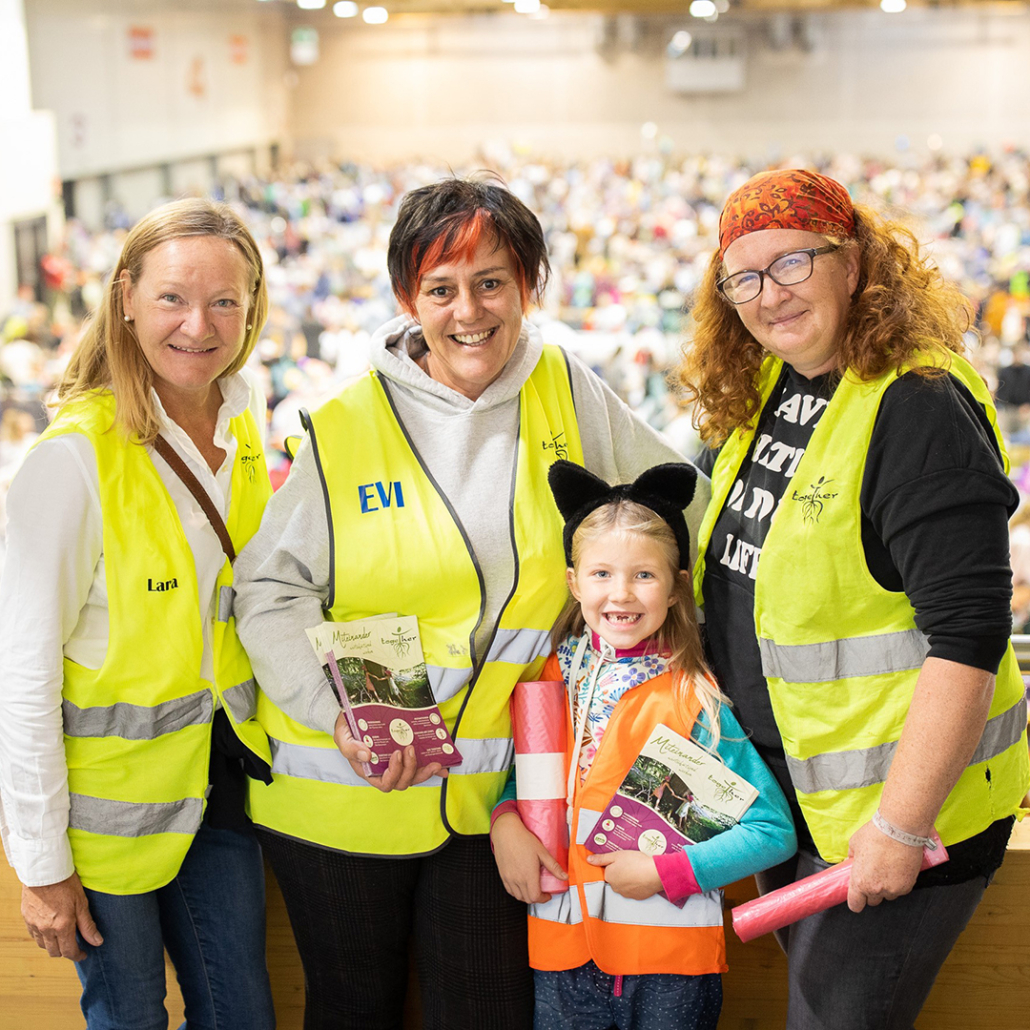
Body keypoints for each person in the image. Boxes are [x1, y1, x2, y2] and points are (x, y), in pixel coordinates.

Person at [232, 176, 711, 1030]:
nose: (468, 311)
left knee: (486, 1010)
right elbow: (268, 590)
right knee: (353, 1009)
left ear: (528, 285)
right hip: (343, 789)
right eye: (440, 288)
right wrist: (334, 710)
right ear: (405, 298)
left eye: (492, 282)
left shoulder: (565, 387)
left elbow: (676, 518)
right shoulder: (346, 423)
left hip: (501, 805)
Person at [677, 168, 1030, 1029]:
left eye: (795, 262)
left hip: (899, 817)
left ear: (857, 264)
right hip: (793, 803)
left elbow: (969, 637)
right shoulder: (768, 390)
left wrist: (901, 827)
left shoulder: (917, 405)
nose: (770, 294)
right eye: (745, 277)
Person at [0, 198, 277, 1030]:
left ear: (253, 307)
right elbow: (23, 677)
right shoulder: (73, 462)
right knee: (129, 1020)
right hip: (106, 827)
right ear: (125, 297)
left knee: (243, 1017)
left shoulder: (243, 415)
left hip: (222, 786)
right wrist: (42, 862)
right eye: (172, 298)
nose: (199, 325)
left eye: (225, 301)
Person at [490, 460, 795, 1030]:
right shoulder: (552, 678)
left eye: (644, 576)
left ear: (679, 582)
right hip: (559, 957)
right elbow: (530, 785)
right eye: (601, 573)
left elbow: (771, 832)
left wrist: (668, 872)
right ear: (573, 581)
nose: (620, 593)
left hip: (669, 969)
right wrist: (504, 818)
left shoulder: (696, 698)